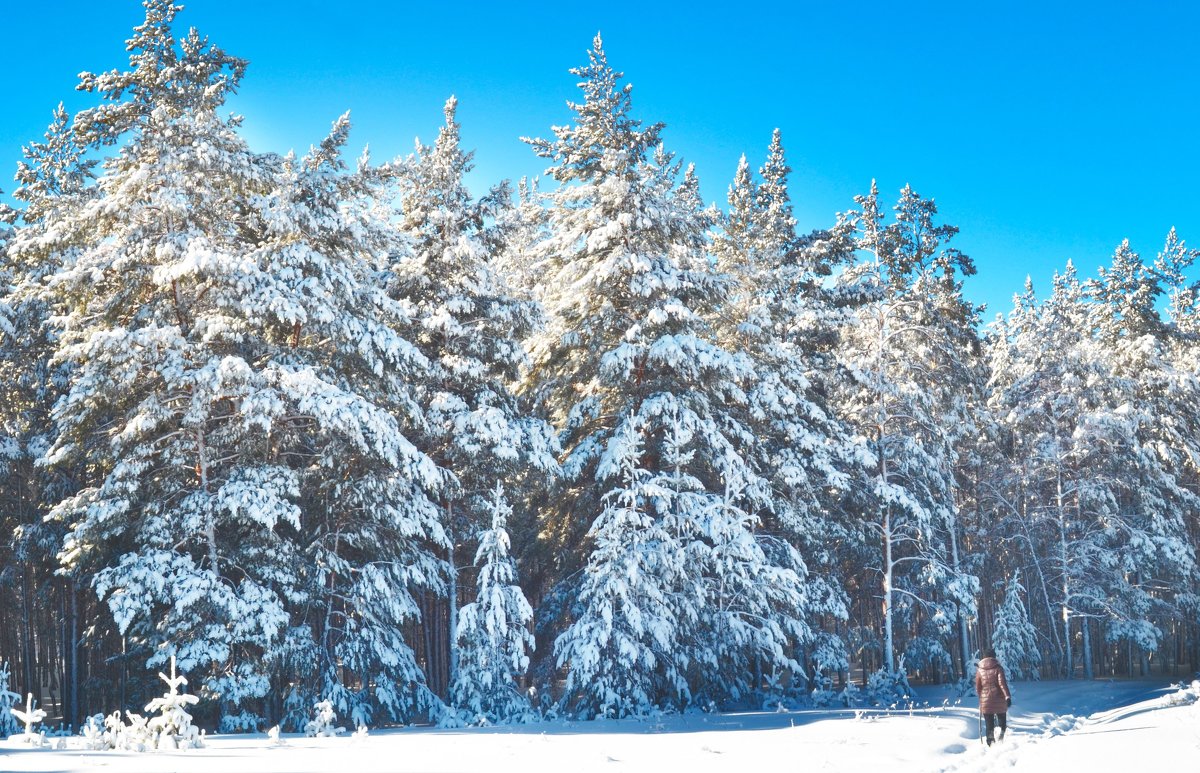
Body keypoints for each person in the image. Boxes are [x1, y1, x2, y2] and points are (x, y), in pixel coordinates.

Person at [975, 646, 1011, 746]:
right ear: (994, 656)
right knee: (1002, 723)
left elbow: (978, 688)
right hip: (999, 699)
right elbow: (1002, 684)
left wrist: (981, 699)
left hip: (985, 702)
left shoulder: (979, 670)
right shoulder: (998, 668)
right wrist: (1007, 696)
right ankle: (1001, 742)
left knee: (989, 725)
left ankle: (991, 745)